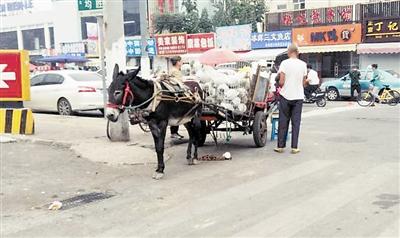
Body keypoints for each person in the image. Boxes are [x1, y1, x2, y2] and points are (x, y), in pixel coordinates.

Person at [274, 44, 307, 154]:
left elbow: (282, 82)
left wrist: (278, 83)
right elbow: (303, 83)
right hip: (298, 97)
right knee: (296, 122)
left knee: (283, 121)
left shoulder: (284, 63)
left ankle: (280, 146)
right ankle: (294, 147)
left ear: (288, 52)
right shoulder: (303, 65)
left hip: (286, 96)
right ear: (297, 52)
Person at [169, 56, 184, 139]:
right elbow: (179, 83)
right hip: (176, 94)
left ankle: (174, 132)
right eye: (181, 61)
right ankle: (174, 132)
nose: (182, 63)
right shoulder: (175, 71)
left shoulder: (172, 70)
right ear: (178, 62)